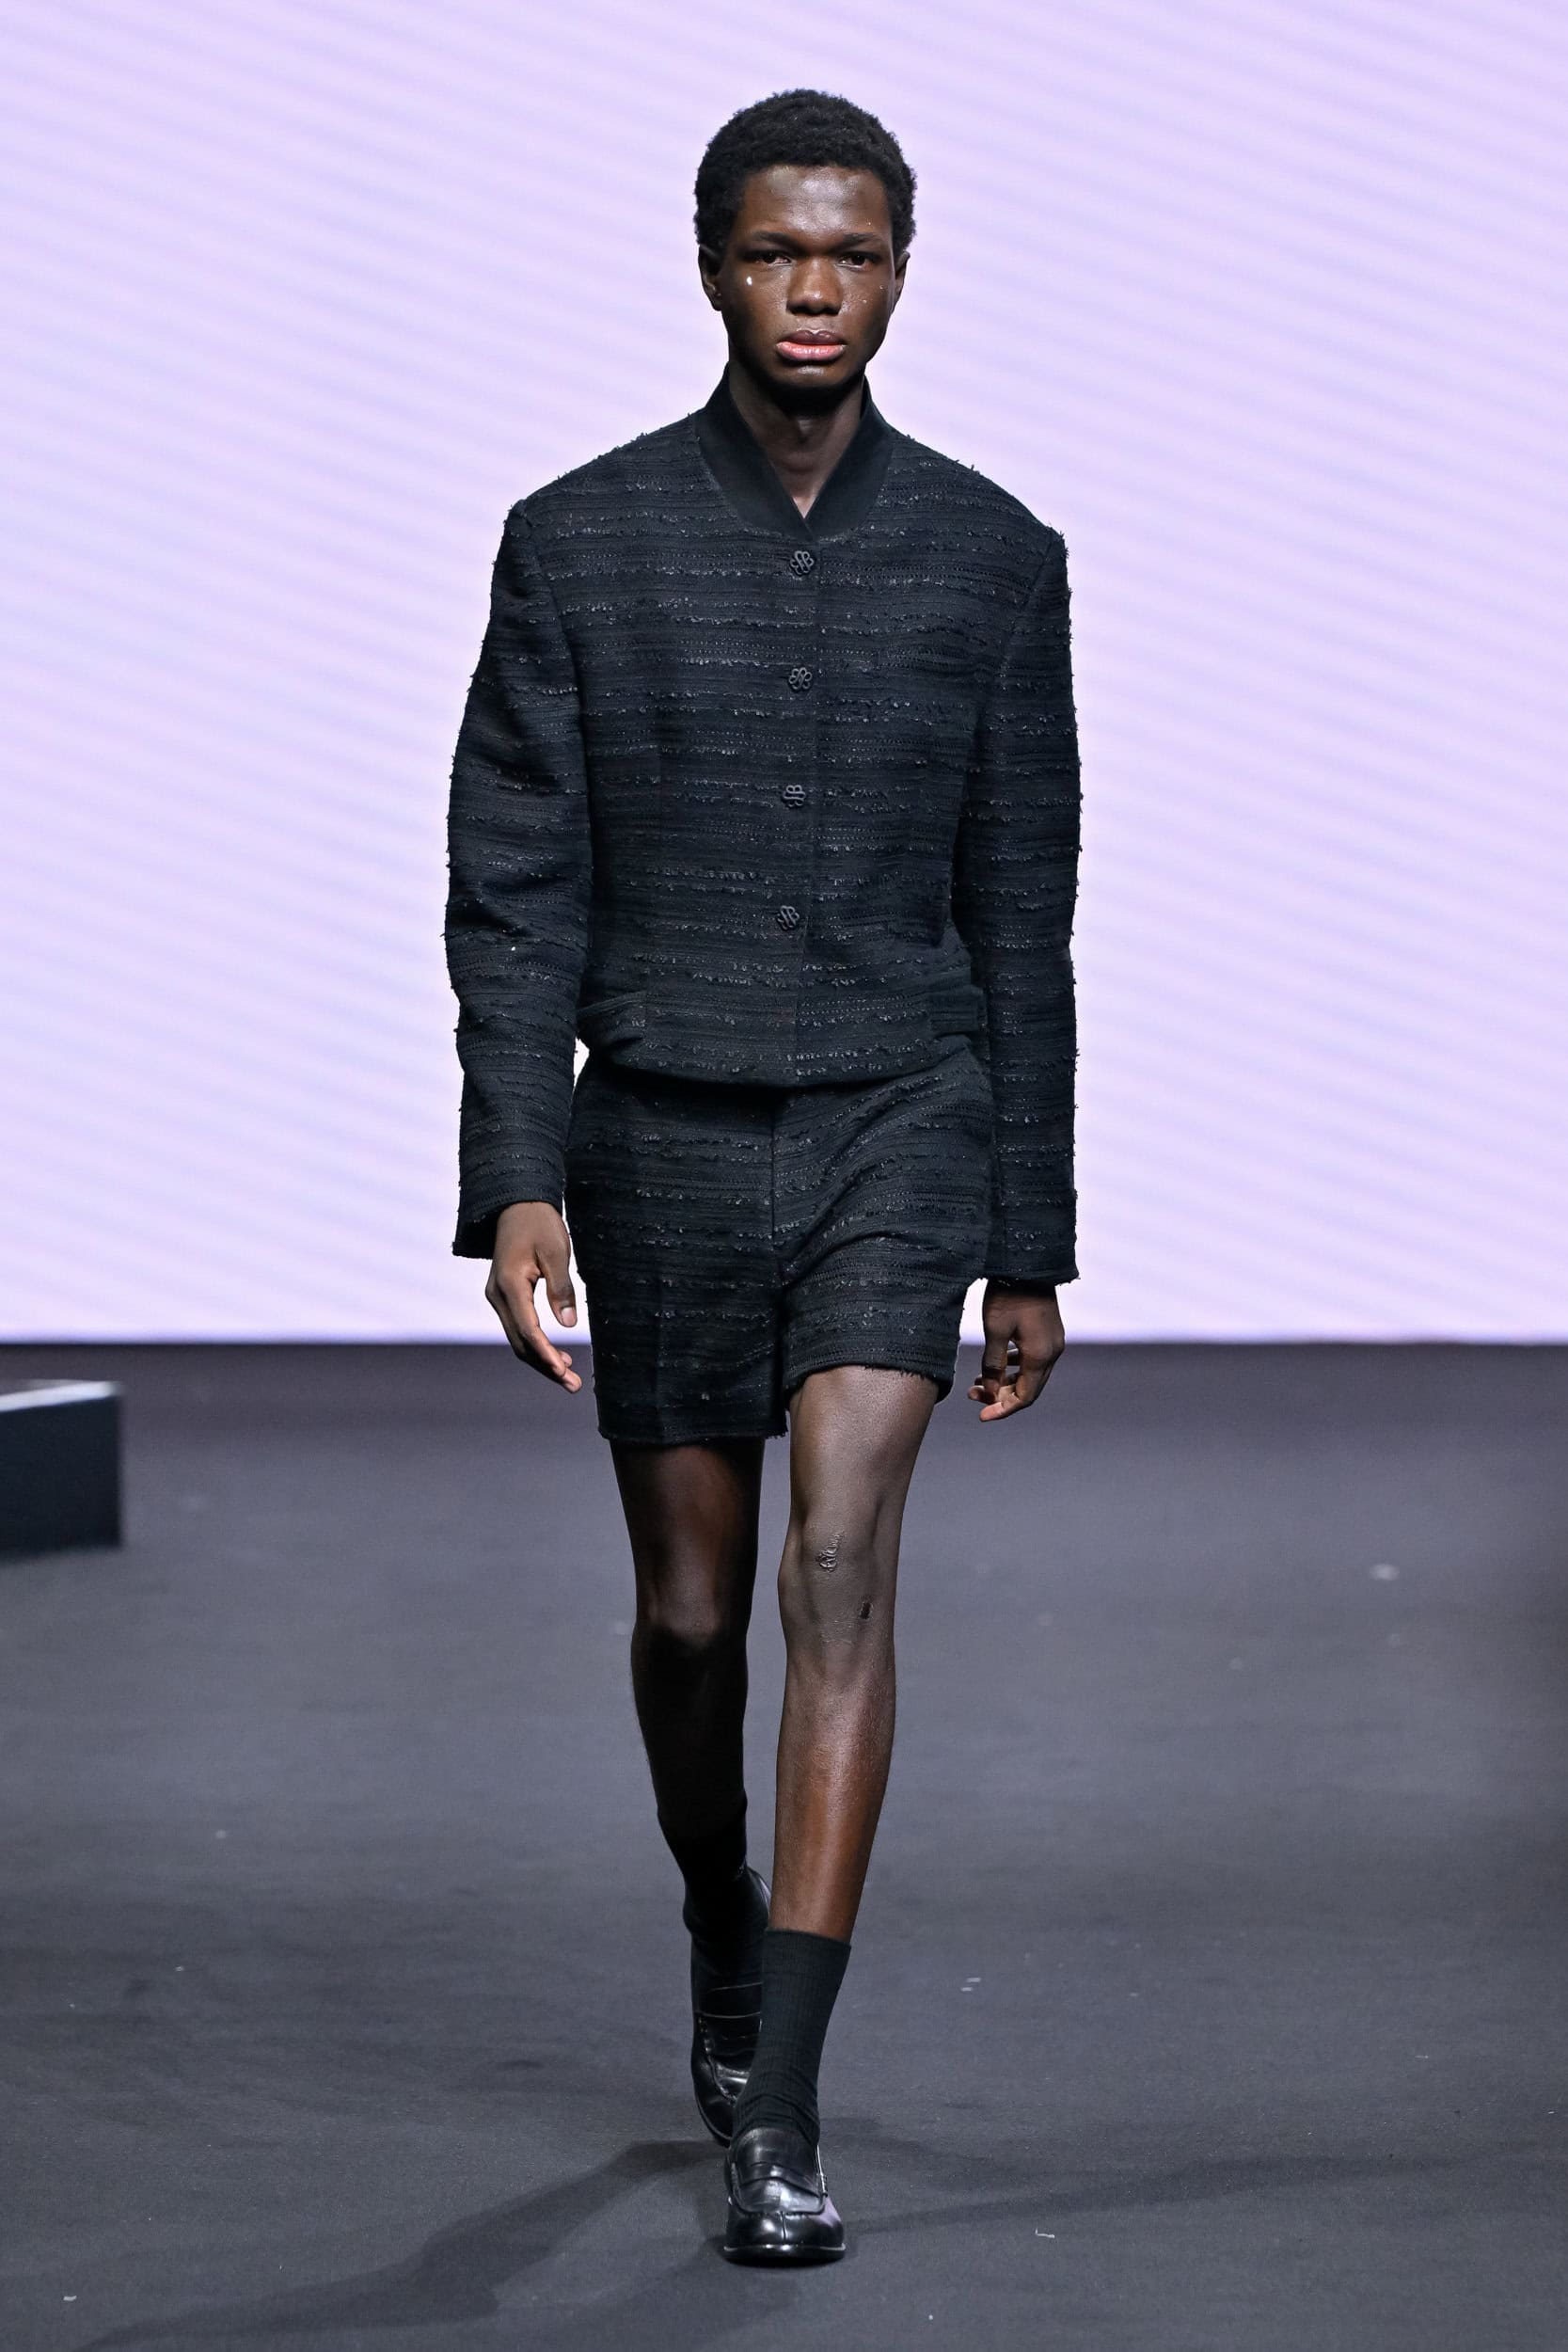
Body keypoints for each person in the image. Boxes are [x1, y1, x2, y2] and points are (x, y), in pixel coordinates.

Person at [443, 87, 1082, 2265]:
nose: (818, 288)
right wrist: (516, 1171)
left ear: (902, 270)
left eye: (856, 252)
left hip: (904, 1106)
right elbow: (515, 887)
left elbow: (1023, 914)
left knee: (837, 1563)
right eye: (779, 250)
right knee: (692, 1610)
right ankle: (721, 1916)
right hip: (660, 1125)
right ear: (714, 262)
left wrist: (1028, 1233)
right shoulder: (579, 540)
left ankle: (781, 2112)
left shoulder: (993, 558)